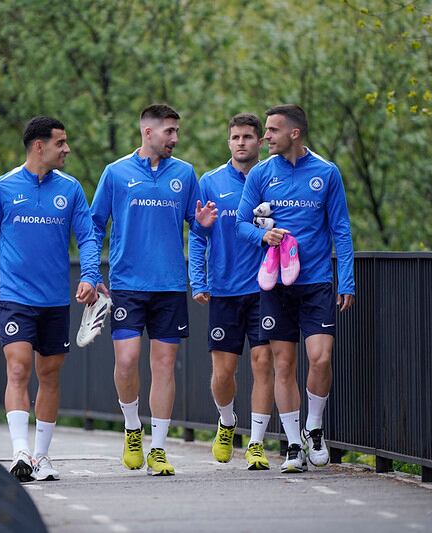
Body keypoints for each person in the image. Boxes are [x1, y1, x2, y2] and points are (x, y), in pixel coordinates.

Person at [0, 116, 101, 482]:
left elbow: (87, 237)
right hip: (15, 296)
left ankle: (42, 457)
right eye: (61, 143)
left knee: (49, 374)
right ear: (39, 146)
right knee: (19, 367)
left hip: (55, 299)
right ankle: (19, 451)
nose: (67, 149)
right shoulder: (2, 188)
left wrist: (90, 276)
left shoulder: (70, 189)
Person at [90, 103, 218, 476]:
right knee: (127, 360)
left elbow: (197, 227)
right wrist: (91, 270)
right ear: (148, 132)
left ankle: (159, 449)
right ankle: (132, 427)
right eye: (169, 132)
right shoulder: (115, 173)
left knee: (163, 365)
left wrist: (204, 224)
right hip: (127, 285)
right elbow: (95, 226)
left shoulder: (185, 173)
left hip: (170, 286)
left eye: (176, 131)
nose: (175, 138)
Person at [236, 104, 355, 472]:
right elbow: (241, 223)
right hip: (275, 284)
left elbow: (341, 229)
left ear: (295, 133)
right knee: (283, 363)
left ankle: (314, 428)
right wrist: (262, 235)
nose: (265, 136)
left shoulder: (326, 172)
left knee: (320, 357)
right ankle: (291, 444)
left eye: (272, 130)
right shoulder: (260, 174)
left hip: (316, 280)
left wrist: (346, 279)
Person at [188, 113, 275, 470]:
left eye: (249, 137)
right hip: (223, 289)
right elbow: (197, 234)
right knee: (223, 373)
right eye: (236, 137)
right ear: (229, 142)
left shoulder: (272, 180)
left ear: (260, 142)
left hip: (266, 288)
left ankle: (256, 443)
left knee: (263, 362)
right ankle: (227, 422)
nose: (242, 142)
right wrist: (199, 278)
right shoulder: (209, 182)